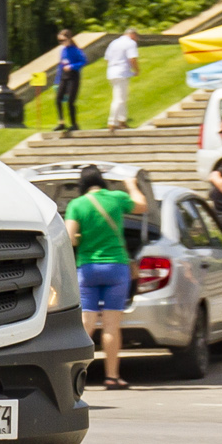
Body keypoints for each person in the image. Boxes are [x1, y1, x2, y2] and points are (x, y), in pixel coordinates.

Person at [66, 164, 147, 390]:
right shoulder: (116, 198)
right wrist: (131, 184)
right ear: (102, 181)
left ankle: (69, 375)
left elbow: (69, 238)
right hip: (116, 268)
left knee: (86, 324)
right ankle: (112, 377)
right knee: (112, 325)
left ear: (82, 184)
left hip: (88, 269)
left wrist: (83, 238)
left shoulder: (76, 204)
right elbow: (142, 205)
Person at [104, 26, 141, 129]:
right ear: (133, 35)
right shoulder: (130, 43)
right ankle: (112, 121)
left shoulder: (114, 42)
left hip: (111, 72)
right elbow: (132, 59)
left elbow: (107, 58)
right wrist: (136, 70)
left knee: (122, 97)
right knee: (119, 99)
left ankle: (122, 120)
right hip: (122, 73)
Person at [54, 28, 87, 131]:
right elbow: (61, 65)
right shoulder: (63, 50)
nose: (61, 43)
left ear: (69, 39)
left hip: (73, 76)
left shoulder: (76, 50)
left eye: (63, 40)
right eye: (60, 41)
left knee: (70, 101)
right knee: (58, 99)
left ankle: (74, 124)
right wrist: (57, 80)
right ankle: (61, 122)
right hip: (63, 77)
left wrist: (72, 66)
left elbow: (83, 61)